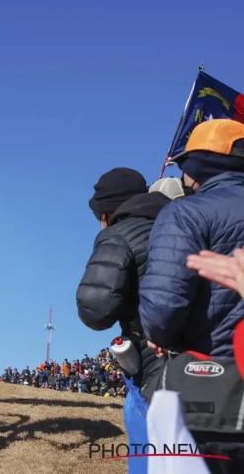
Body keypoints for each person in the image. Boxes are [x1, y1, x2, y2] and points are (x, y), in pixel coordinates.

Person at [139, 119, 244, 474]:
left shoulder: (185, 212)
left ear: (198, 166)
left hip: (210, 393)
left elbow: (163, 309)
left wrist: (161, 336)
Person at [76, 167, 172, 389]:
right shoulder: (183, 223)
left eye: (97, 215)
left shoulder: (116, 236)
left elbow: (96, 311)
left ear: (107, 213)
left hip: (152, 354)